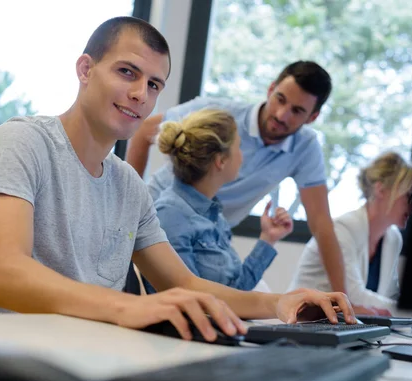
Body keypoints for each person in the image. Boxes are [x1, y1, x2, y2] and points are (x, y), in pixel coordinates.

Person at [0, 16, 356, 342]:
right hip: (12, 358)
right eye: (126, 72)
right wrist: (130, 307)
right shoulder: (23, 141)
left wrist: (278, 303)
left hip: (91, 355)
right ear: (85, 69)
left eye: (153, 85)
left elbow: (183, 283)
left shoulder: (129, 187)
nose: (139, 94)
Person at [126, 61, 368, 312]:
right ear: (270, 89)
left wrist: (345, 303)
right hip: (161, 224)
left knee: (253, 298)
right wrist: (131, 210)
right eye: (280, 99)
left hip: (213, 234)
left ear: (313, 117)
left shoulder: (305, 148)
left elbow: (321, 223)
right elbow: (145, 131)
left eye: (297, 111)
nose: (281, 115)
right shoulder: (218, 115)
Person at [142, 109, 293, 294]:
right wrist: (275, 304)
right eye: (238, 147)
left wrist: (268, 239)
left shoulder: (213, 215)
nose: (242, 155)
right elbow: (189, 300)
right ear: (221, 160)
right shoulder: (171, 215)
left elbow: (237, 290)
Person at [288, 152, 412, 316]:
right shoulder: (343, 228)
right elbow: (353, 297)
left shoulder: (393, 239)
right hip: (303, 322)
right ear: (381, 190)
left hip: (344, 325)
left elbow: (391, 297)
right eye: (410, 196)